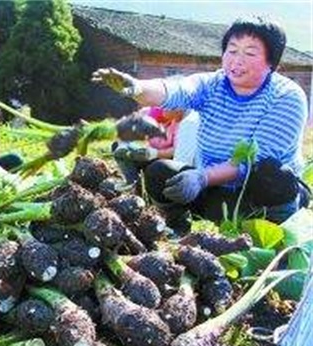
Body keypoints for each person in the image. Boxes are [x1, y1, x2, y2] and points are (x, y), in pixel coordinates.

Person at [93, 17, 310, 233]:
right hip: (215, 190)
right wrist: (137, 88)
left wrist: (202, 177)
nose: (237, 61)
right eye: (232, 51)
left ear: (272, 62)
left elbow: (250, 163)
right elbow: (177, 90)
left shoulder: (286, 96)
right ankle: (176, 226)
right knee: (160, 172)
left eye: (250, 53)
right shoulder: (212, 84)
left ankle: (276, 228)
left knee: (270, 173)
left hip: (260, 196)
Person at [112, 106, 199, 184]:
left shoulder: (181, 123)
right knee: (118, 147)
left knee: (155, 167)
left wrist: (154, 153)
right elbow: (124, 126)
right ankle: (133, 183)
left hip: (166, 160)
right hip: (149, 153)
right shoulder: (147, 114)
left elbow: (177, 151)